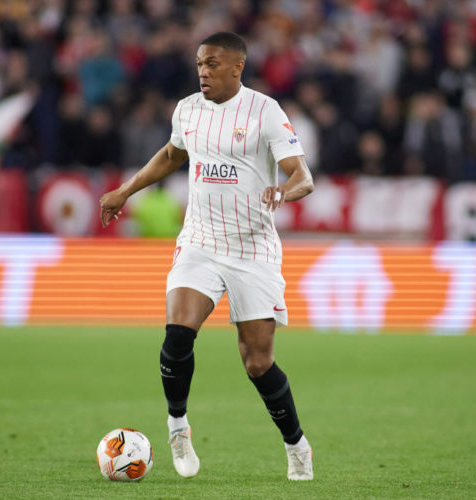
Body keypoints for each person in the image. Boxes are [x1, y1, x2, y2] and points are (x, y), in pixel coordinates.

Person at [99, 32, 315, 481]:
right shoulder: (187, 109)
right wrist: (125, 190)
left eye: (213, 64)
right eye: (200, 63)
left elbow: (303, 176)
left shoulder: (265, 111)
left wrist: (283, 190)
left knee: (257, 362)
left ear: (238, 67)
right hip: (200, 240)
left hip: (252, 248)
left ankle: (296, 445)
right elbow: (172, 154)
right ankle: (178, 426)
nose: (203, 71)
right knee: (179, 332)